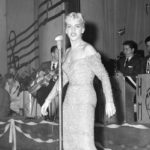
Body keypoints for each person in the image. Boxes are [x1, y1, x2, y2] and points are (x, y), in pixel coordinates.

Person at [41, 12, 116, 150]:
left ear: (83, 29)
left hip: (85, 97)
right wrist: (48, 100)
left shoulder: (88, 50)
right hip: (69, 99)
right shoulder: (67, 52)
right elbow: (62, 80)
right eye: (69, 26)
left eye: (77, 26)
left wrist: (109, 101)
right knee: (69, 143)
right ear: (65, 30)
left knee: (85, 143)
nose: (73, 30)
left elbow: (104, 75)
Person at [35, 45, 59, 120]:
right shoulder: (44, 64)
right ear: (53, 54)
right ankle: (47, 115)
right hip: (46, 87)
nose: (60, 54)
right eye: (58, 52)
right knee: (39, 93)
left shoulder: (63, 65)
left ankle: (52, 116)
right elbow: (37, 75)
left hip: (57, 88)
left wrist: (56, 75)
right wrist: (40, 74)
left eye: (61, 52)